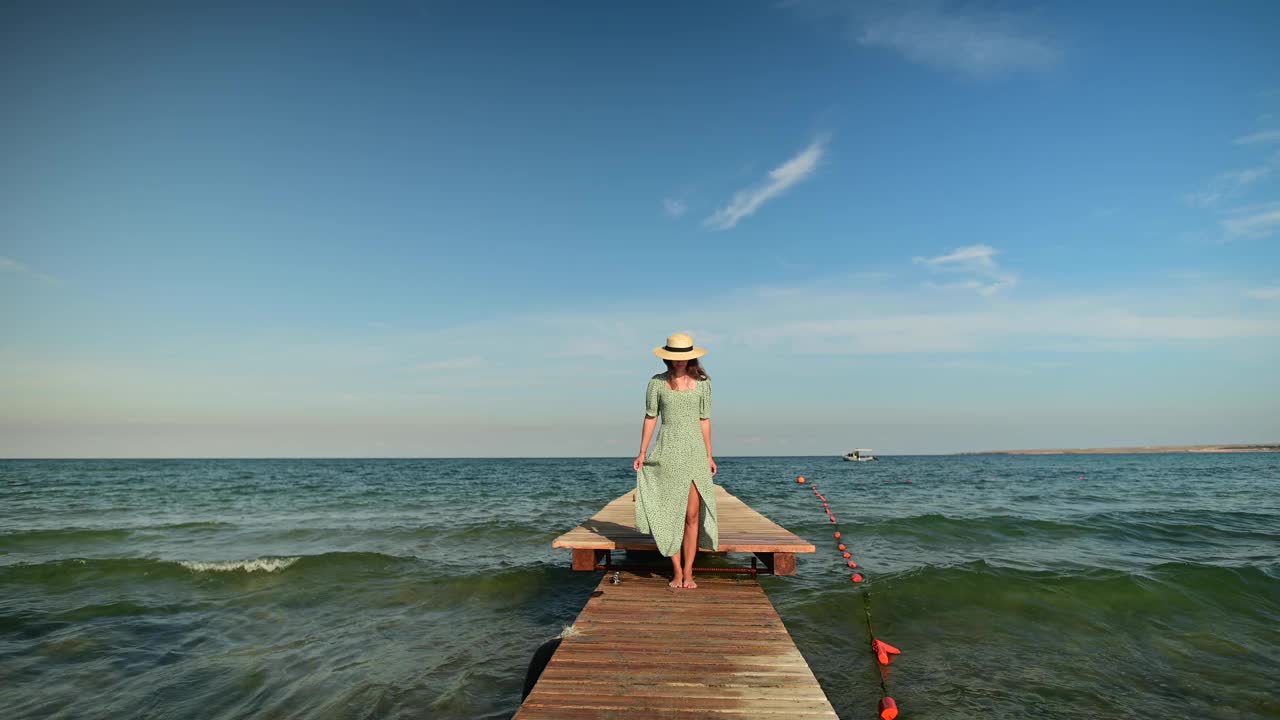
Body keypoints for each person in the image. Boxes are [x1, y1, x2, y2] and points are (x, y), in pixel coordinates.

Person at [632, 332, 719, 589]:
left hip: (693, 453)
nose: (679, 362)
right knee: (671, 513)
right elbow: (651, 418)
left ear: (691, 357)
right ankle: (677, 572)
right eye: (675, 358)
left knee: (692, 515)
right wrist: (642, 452)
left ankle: (690, 572)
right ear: (667, 358)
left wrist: (709, 455)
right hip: (667, 451)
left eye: (684, 357)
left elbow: (704, 420)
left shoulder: (703, 383)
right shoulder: (657, 383)